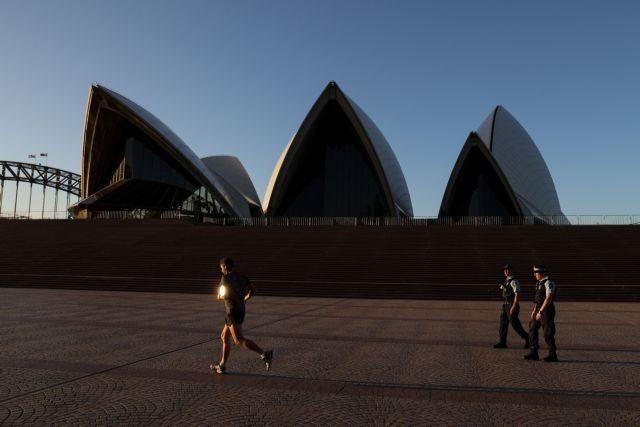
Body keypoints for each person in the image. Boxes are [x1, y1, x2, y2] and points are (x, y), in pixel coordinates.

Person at [210, 257, 273, 374]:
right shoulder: (242, 277)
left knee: (238, 340)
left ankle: (264, 354)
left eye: (221, 268)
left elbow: (222, 295)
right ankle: (222, 365)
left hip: (232, 311)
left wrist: (219, 296)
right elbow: (254, 290)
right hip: (240, 310)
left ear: (224, 266)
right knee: (224, 336)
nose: (221, 270)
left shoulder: (225, 278)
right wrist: (245, 299)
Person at [524, 265, 558, 362]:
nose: (534, 274)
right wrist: (535, 310)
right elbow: (538, 299)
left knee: (548, 332)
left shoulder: (549, 282)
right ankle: (533, 352)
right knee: (532, 329)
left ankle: (552, 355)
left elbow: (549, 297)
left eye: (536, 272)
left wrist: (541, 311)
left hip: (546, 310)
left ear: (541, 273)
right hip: (539, 308)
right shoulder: (539, 283)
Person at [493, 264, 530, 349]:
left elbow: (517, 294)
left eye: (507, 270)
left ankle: (528, 339)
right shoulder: (507, 280)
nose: (505, 271)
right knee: (503, 324)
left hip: (511, 304)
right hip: (505, 304)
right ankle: (502, 342)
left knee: (515, 324)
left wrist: (514, 306)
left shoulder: (514, 281)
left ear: (511, 270)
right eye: (504, 270)